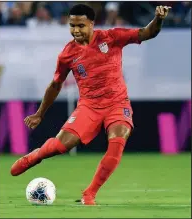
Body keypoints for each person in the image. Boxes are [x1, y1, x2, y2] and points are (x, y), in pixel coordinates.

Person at [10, 4, 171, 205]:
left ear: (92, 24)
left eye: (80, 25)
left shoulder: (111, 37)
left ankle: (89, 194)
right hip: (89, 106)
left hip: (117, 102)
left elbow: (147, 33)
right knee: (60, 146)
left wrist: (159, 19)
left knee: (118, 138)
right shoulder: (67, 54)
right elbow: (55, 84)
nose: (76, 30)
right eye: (72, 26)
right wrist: (40, 114)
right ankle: (35, 156)